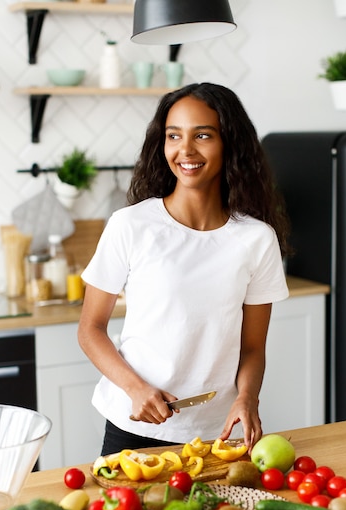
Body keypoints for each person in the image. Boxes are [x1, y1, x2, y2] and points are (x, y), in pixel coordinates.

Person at [78, 82, 290, 456]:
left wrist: (248, 399)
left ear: (230, 144)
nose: (185, 150)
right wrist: (135, 389)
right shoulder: (131, 225)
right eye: (173, 135)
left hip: (217, 431)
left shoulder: (257, 239)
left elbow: (253, 347)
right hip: (135, 423)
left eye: (203, 135)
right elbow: (90, 329)